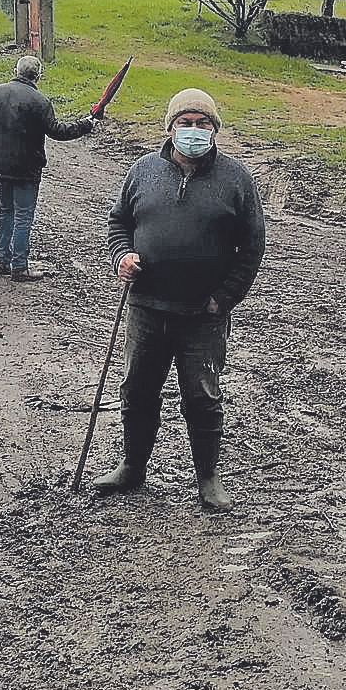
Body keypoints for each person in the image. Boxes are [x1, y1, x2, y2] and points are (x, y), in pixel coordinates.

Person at [97, 89, 266, 513]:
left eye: (202, 124)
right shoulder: (142, 171)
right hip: (146, 307)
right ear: (170, 128)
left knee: (202, 396)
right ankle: (132, 467)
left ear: (214, 130)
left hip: (203, 314)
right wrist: (122, 256)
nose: (193, 131)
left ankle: (208, 478)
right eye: (185, 123)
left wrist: (225, 298)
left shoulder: (235, 179)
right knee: (137, 390)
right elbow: (119, 221)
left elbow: (252, 246)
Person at [0, 55, 93, 280]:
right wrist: (85, 124)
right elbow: (58, 131)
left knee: (5, 212)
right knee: (23, 216)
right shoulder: (39, 101)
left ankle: (4, 261)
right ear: (38, 75)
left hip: (0, 164)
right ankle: (19, 266)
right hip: (27, 168)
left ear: (16, 70)